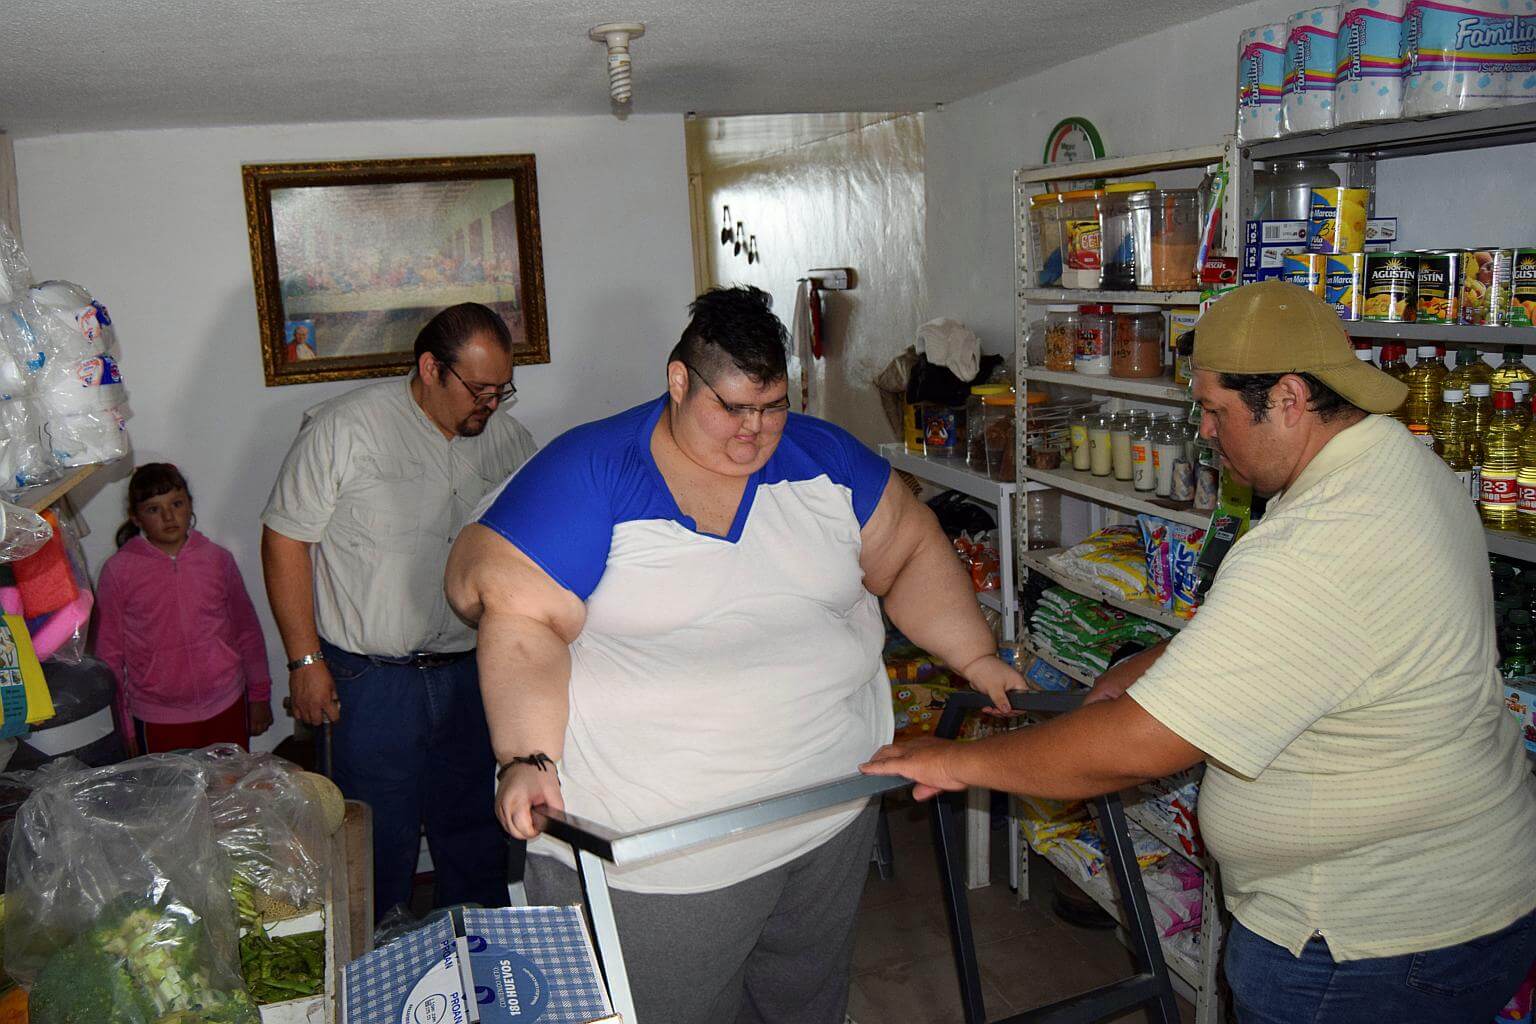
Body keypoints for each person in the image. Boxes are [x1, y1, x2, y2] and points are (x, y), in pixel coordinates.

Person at [862, 281, 1536, 1023]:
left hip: (1365, 941)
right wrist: (1159, 663)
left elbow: (1133, 748)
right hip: (1450, 899)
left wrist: (953, 763)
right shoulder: (1397, 467)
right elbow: (1309, 636)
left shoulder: (1326, 536)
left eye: (1215, 410)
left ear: (1286, 399)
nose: (1206, 433)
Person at [444, 285, 1024, 1024]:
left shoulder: (824, 459)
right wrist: (526, 757)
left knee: (804, 1001)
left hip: (824, 816)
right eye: (732, 408)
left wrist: (975, 658)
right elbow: (518, 622)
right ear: (679, 381)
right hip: (663, 858)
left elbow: (910, 553)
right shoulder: (592, 472)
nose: (755, 431)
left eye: (772, 405)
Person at [261, 302, 537, 920]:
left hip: (470, 672)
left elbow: (532, 548)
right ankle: (377, 972)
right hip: (369, 682)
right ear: (431, 368)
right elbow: (285, 539)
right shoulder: (345, 429)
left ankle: (481, 966)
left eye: (502, 390)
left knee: (473, 829)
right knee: (374, 841)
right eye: (479, 389)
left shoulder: (509, 442)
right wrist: (304, 660)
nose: (490, 405)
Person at [95, 462, 273, 755]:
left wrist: (259, 696)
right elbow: (109, 655)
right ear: (136, 518)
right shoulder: (118, 572)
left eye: (176, 504)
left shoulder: (217, 560)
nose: (168, 516)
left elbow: (247, 631)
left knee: (229, 794)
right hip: (157, 718)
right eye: (153, 509)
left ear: (190, 505)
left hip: (226, 705)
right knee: (173, 799)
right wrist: (123, 727)